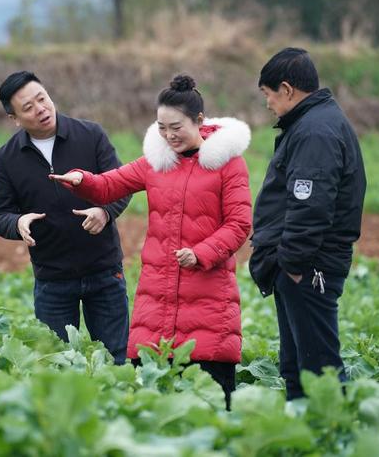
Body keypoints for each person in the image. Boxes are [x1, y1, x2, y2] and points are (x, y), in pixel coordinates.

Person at [50, 75, 252, 409]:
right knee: (150, 407)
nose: (169, 136)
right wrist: (81, 180)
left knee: (212, 408)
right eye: (161, 127)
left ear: (200, 122)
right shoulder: (156, 162)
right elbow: (108, 185)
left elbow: (239, 223)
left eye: (176, 127)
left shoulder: (228, 164)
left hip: (209, 301)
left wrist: (201, 253)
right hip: (155, 302)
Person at [0, 71, 131, 365]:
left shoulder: (90, 135)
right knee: (55, 363)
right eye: (28, 107)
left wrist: (105, 212)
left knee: (117, 359)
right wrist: (17, 223)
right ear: (14, 118)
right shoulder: (8, 157)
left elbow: (121, 185)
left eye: (42, 98)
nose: (40, 109)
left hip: (104, 272)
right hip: (52, 279)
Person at [249, 48, 367, 400]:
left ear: (286, 89)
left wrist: (293, 265)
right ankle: (305, 436)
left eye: (268, 95)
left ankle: (335, 438)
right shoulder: (314, 123)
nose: (268, 104)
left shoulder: (316, 131)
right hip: (301, 265)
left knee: (320, 370)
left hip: (308, 267)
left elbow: (309, 204)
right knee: (298, 367)